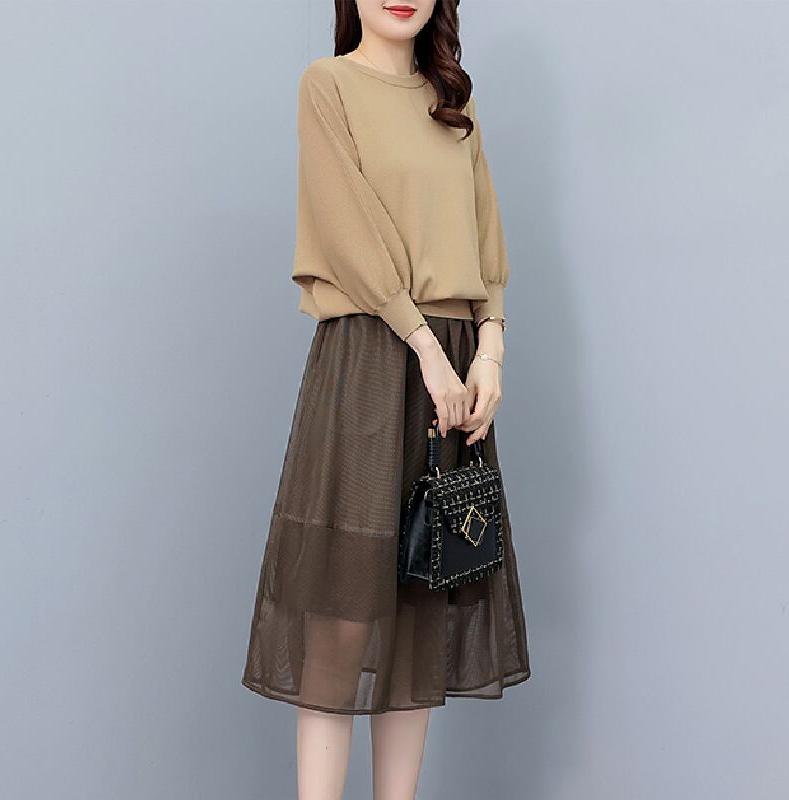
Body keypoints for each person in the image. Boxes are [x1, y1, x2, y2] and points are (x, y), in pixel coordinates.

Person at [241, 1, 531, 797]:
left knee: (420, 606)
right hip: (373, 357)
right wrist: (428, 350)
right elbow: (349, 231)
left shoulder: (453, 101)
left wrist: (491, 352)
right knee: (342, 616)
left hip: (458, 367)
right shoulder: (328, 85)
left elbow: (486, 236)